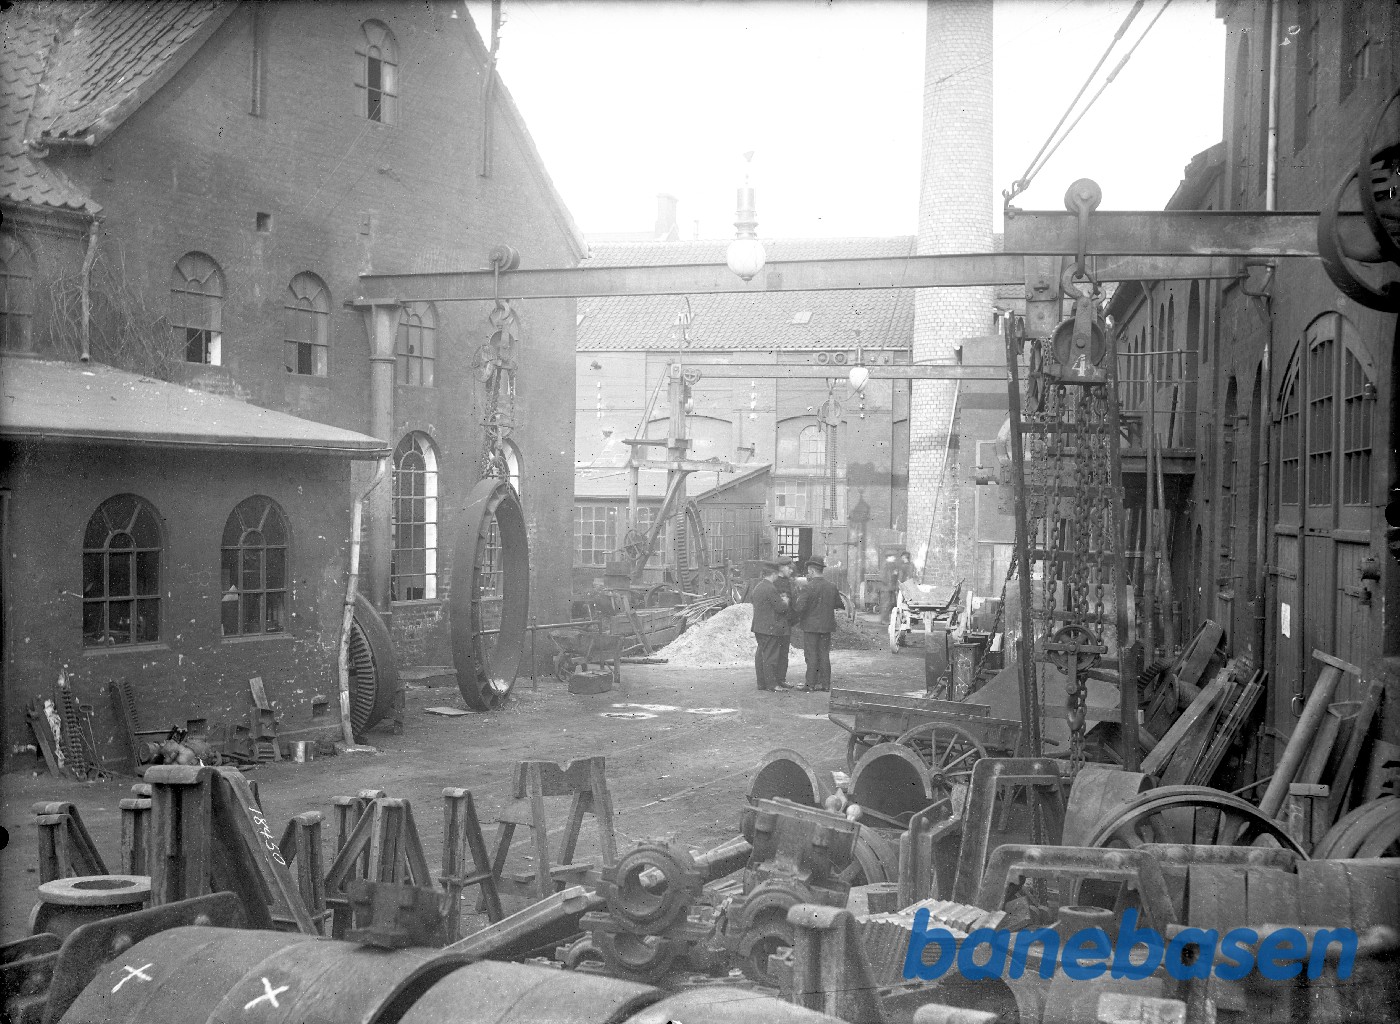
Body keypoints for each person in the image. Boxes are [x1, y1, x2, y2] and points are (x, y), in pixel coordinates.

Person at [794, 556, 845, 692]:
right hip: (826, 626)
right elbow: (839, 604)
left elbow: (799, 608)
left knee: (811, 655)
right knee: (824, 654)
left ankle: (810, 684)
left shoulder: (807, 587)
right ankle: (825, 685)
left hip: (810, 627)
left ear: (811, 571)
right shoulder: (832, 586)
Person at [748, 561, 790, 692]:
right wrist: (786, 601)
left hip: (759, 627)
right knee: (771, 657)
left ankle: (762, 684)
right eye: (777, 573)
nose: (778, 576)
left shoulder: (758, 587)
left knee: (761, 656)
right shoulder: (770, 588)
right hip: (770, 629)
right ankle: (772, 684)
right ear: (773, 574)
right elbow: (781, 608)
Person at [773, 555, 797, 688]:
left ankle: (781, 679)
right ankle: (774, 680)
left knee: (784, 653)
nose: (791, 571)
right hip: (777, 623)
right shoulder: (775, 583)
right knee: (776, 652)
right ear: (781, 568)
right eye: (789, 567)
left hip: (786, 623)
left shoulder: (789, 582)